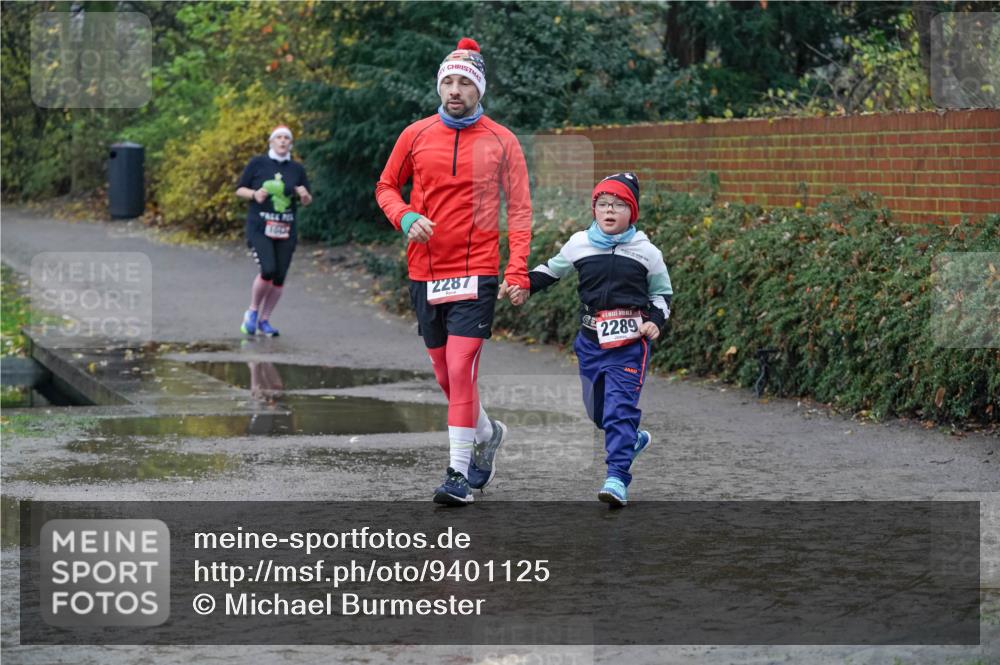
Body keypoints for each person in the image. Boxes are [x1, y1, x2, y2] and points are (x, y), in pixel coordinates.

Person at [375, 37, 532, 506]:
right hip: (425, 272)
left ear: (479, 89)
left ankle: (457, 475)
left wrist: (517, 269)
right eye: (448, 82)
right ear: (439, 87)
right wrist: (404, 216)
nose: (455, 90)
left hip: (477, 272)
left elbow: (520, 210)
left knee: (462, 369)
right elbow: (386, 186)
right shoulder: (415, 135)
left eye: (465, 82)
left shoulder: (503, 141)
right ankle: (488, 433)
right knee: (446, 377)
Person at [508, 173, 672, 508]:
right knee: (599, 414)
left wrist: (655, 322)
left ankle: (616, 477)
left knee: (619, 410)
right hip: (590, 343)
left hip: (629, 345)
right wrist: (524, 286)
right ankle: (632, 440)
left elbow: (662, 294)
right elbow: (551, 270)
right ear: (594, 209)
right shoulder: (579, 243)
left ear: (633, 212)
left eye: (619, 205)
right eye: (603, 204)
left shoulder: (647, 252)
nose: (610, 210)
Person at [235, 125, 312, 337]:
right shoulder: (257, 163)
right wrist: (254, 195)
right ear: (271, 142)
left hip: (286, 228)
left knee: (279, 277)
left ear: (291, 144)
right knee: (267, 270)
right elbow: (239, 189)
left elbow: (307, 199)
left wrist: (304, 196)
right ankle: (251, 312)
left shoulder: (296, 169)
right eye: (278, 138)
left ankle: (264, 320)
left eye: (286, 138)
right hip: (260, 227)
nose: (282, 141)